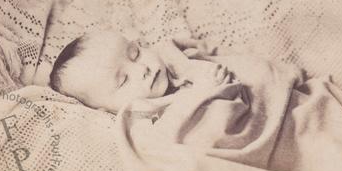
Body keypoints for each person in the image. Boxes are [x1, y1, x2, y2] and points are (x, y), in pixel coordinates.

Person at [49, 30, 231, 113]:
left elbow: (215, 54)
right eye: (123, 81)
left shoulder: (175, 59)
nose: (142, 69)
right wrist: (204, 92)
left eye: (135, 54)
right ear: (105, 111)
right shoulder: (145, 120)